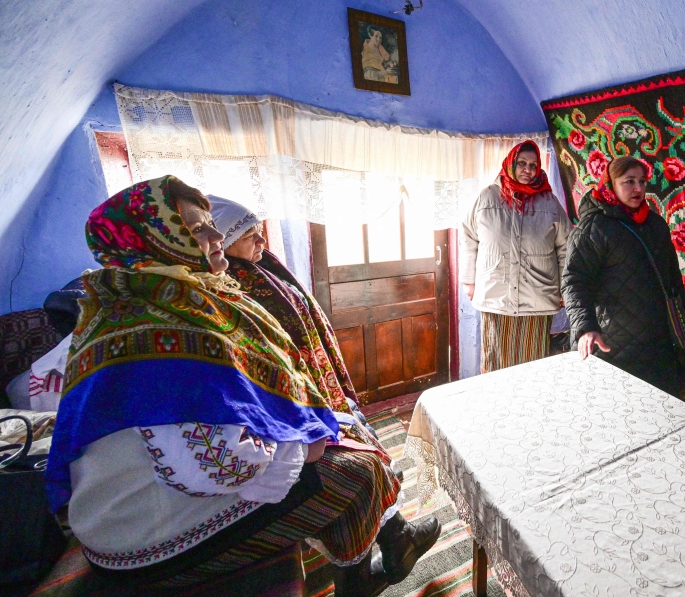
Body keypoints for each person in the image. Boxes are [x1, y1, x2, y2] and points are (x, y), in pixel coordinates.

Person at [46, 176, 437, 597]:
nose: (216, 236)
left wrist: (304, 427)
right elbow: (218, 464)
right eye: (197, 229)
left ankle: (382, 552)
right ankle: (364, 578)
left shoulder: (163, 300)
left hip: (163, 493)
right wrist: (301, 447)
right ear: (156, 241)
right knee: (356, 474)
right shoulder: (150, 330)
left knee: (343, 435)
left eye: (212, 225)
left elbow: (230, 397)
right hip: (144, 533)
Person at [207, 195, 385, 449]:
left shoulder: (263, 263)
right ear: (224, 243)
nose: (261, 241)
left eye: (259, 232)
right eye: (249, 236)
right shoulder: (231, 281)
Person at [562, 156, 685, 393]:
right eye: (629, 181)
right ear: (610, 184)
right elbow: (574, 282)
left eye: (642, 181)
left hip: (658, 340)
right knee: (615, 401)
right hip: (612, 340)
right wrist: (585, 327)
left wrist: (684, 314)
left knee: (660, 400)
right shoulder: (593, 229)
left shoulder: (655, 224)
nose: (638, 188)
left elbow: (671, 274)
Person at [461, 140, 571, 372]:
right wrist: (469, 281)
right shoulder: (487, 197)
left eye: (533, 165)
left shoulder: (549, 202)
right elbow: (469, 237)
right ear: (511, 163)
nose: (528, 169)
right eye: (522, 163)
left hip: (538, 297)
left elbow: (565, 248)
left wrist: (564, 287)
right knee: (496, 365)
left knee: (533, 366)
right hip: (496, 297)